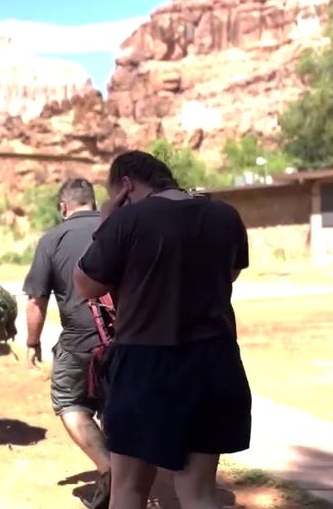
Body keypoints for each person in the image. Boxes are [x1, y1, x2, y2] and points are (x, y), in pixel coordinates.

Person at [73, 150, 252, 509]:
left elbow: (86, 285)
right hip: (214, 362)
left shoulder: (128, 220)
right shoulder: (224, 215)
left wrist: (107, 222)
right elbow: (229, 275)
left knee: (129, 489)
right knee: (199, 492)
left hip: (146, 366)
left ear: (125, 186)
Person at [23, 178, 111, 508]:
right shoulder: (117, 227)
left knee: (69, 402)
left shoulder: (52, 239)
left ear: (64, 207)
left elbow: (36, 300)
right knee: (116, 405)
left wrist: (33, 342)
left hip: (80, 340)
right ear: (93, 201)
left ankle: (110, 468)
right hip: (129, 337)